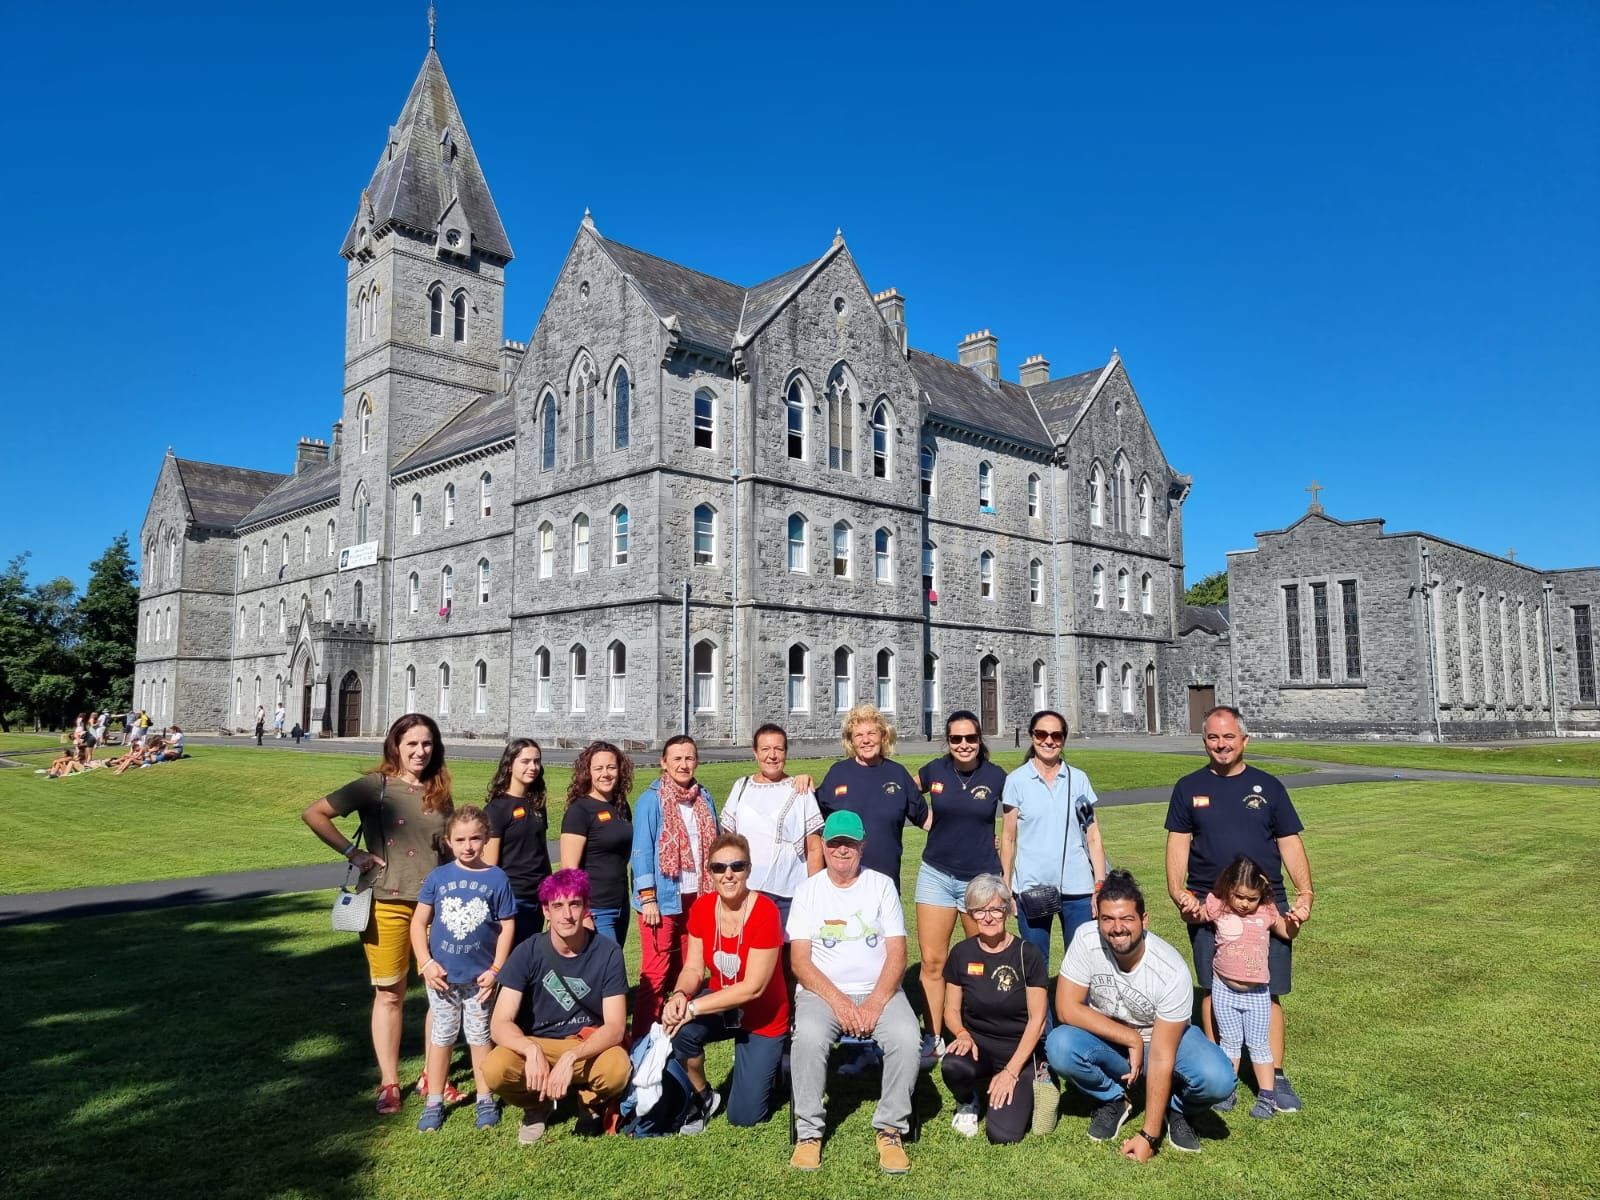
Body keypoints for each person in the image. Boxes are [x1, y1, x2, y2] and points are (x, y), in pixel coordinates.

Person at [1164, 705, 1315, 1112]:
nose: (1221, 744)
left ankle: (1275, 1078)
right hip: (1208, 905)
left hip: (1266, 904)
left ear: (1244, 740)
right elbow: (1178, 842)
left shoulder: (1269, 787)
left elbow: (1289, 842)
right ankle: (1221, 1075)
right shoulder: (1188, 787)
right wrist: (1179, 892)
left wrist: (1304, 895)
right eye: (1213, 737)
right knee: (1214, 991)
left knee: (1269, 990)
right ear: (1204, 741)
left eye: (1229, 737)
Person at [301, 713, 453, 1115]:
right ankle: (389, 1083)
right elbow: (315, 813)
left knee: (441, 993)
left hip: (434, 905)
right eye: (413, 744)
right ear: (396, 747)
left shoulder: (439, 793)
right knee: (390, 993)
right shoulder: (376, 787)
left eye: (427, 744)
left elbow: (448, 848)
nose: (421, 751)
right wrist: (353, 853)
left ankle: (432, 1076)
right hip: (386, 902)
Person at [1044, 870, 1234, 1159]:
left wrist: (1148, 1134)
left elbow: (1160, 1055)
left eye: (1127, 919)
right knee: (1059, 1045)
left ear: (1144, 920)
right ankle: (1114, 1099)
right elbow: (1066, 1008)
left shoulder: (1170, 970)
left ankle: (1176, 1108)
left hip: (1161, 1038)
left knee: (1218, 1079)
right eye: (1107, 919)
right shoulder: (1085, 939)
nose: (1117, 928)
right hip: (1108, 1037)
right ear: (1098, 918)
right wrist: (1129, 1037)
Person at [786, 811, 920, 1175]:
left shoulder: (881, 885)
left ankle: (890, 1129)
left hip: (880, 990)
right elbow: (800, 961)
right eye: (834, 843)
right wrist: (841, 1002)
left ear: (862, 845)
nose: (841, 850)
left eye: (849, 843)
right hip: (822, 993)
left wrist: (876, 1002)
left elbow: (897, 952)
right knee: (809, 1037)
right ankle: (809, 1133)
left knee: (907, 1038)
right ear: (824, 847)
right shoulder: (808, 890)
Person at [484, 869, 631, 1145]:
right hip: (538, 1042)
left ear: (587, 907)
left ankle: (589, 1101)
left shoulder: (608, 952)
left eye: (575, 904)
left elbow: (615, 1027)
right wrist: (530, 1049)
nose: (567, 915)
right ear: (546, 911)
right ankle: (535, 1105)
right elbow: (500, 1022)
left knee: (617, 1069)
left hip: (585, 1044)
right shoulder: (527, 951)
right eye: (558, 906)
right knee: (494, 1068)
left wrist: (572, 1056)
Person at [660, 833, 789, 1132]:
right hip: (724, 1006)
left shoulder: (765, 911)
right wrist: (680, 994)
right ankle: (704, 1095)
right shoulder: (703, 908)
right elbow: (693, 968)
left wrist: (693, 1007)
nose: (728, 874)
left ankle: (778, 1063)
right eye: (719, 868)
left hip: (763, 1017)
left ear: (748, 869)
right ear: (710, 873)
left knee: (744, 1116)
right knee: (682, 1031)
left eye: (737, 866)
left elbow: (753, 987)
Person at [410, 806, 517, 1132]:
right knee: (442, 1036)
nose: (468, 846)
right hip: (442, 977)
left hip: (479, 978)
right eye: (460, 839)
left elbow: (507, 926)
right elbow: (418, 923)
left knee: (479, 1035)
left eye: (475, 838)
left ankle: (485, 1099)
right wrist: (426, 963)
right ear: (448, 842)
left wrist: (496, 969)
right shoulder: (439, 877)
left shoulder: (497, 878)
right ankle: (434, 1099)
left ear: (485, 839)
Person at [914, 710, 1008, 1063]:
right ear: (948, 741)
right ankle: (934, 1035)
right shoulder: (935, 771)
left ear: (980, 740)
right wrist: (922, 818)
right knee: (933, 961)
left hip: (981, 881)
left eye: (970, 738)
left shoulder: (997, 776)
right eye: (956, 739)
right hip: (936, 875)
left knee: (980, 961)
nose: (964, 745)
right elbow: (905, 791)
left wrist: (1003, 845)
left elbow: (1019, 817)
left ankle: (977, 1030)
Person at [940, 873, 1049, 1143]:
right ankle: (968, 1100)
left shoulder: (1028, 954)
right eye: (979, 911)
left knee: (1002, 1134)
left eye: (995, 909)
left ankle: (1037, 1080)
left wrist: (1010, 1072)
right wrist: (961, 1033)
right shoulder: (961, 953)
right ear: (970, 913)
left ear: (1008, 910)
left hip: (1020, 1053)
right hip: (979, 1048)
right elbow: (951, 1011)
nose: (987, 918)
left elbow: (1038, 1021)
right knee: (952, 1064)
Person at [1000, 709, 1107, 967]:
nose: (1048, 741)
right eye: (1041, 734)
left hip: (1077, 887)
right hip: (1032, 886)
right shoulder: (1016, 781)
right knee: (1035, 963)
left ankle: (1072, 1009)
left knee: (1081, 962)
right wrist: (1005, 886)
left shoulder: (1078, 780)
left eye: (1056, 735)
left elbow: (1092, 835)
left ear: (1063, 739)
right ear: (1032, 736)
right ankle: (1040, 1010)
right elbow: (1008, 838)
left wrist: (1099, 885)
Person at [630, 735, 718, 1036]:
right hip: (663, 898)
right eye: (677, 759)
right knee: (656, 973)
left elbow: (714, 845)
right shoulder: (651, 800)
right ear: (664, 763)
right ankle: (642, 1040)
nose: (684, 764)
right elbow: (641, 850)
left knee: (687, 971)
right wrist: (648, 898)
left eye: (689, 758)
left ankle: (679, 1037)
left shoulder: (703, 797)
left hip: (697, 896)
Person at [1201, 855, 1300, 1118]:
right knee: (1230, 1044)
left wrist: (1295, 921)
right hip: (1224, 990)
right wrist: (1187, 904)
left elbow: (1286, 931)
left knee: (1259, 1045)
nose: (1245, 904)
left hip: (1257, 994)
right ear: (1228, 890)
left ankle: (1266, 1096)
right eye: (1239, 896)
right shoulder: (1218, 906)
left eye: (1251, 898)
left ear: (1261, 895)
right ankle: (1227, 1090)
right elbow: (1196, 915)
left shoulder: (1266, 910)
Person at [718, 723, 823, 931]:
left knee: (788, 957)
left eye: (778, 749)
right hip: (746, 891)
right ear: (755, 753)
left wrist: (815, 892)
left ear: (786, 752)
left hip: (789, 892)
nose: (772, 756)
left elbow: (814, 848)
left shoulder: (800, 789)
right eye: (765, 749)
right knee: (750, 957)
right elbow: (727, 843)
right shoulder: (742, 787)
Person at [816, 703, 927, 888]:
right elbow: (812, 820)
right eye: (859, 735)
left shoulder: (897, 774)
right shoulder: (838, 773)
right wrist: (801, 782)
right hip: (841, 882)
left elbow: (926, 819)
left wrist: (972, 830)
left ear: (883, 736)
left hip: (885, 882)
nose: (865, 740)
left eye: (871, 733)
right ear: (851, 741)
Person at [559, 741, 634, 946]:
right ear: (588, 773)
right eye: (598, 768)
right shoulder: (579, 811)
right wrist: (583, 914)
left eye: (611, 767)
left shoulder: (621, 806)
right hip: (596, 908)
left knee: (612, 965)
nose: (606, 774)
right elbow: (569, 870)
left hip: (620, 903)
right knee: (609, 970)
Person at [484, 739, 553, 946]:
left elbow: (542, 853)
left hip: (538, 899)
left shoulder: (538, 805)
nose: (532, 767)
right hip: (512, 900)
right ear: (510, 764)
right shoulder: (496, 809)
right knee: (509, 966)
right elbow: (489, 866)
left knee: (530, 962)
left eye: (536, 761)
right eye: (525, 761)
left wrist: (550, 895)